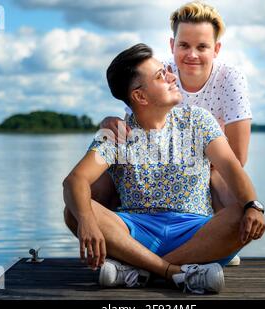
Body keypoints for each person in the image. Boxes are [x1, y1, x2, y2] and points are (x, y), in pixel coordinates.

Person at [63, 43, 265, 294]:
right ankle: (178, 273)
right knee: (75, 211)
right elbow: (74, 181)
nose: (172, 77)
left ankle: (140, 270)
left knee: (241, 213)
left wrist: (253, 206)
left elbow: (230, 167)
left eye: (167, 70)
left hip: (195, 234)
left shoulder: (199, 120)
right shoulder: (115, 133)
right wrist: (86, 221)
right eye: (161, 75)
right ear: (140, 96)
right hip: (135, 232)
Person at [100, 1, 251, 216]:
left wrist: (196, 168)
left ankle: (213, 241)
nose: (192, 54)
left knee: (234, 197)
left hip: (211, 164)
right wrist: (108, 122)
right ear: (172, 45)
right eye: (184, 45)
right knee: (105, 181)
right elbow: (136, 125)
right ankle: (121, 235)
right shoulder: (160, 74)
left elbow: (238, 157)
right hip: (160, 166)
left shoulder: (230, 78)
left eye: (202, 47)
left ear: (216, 49)